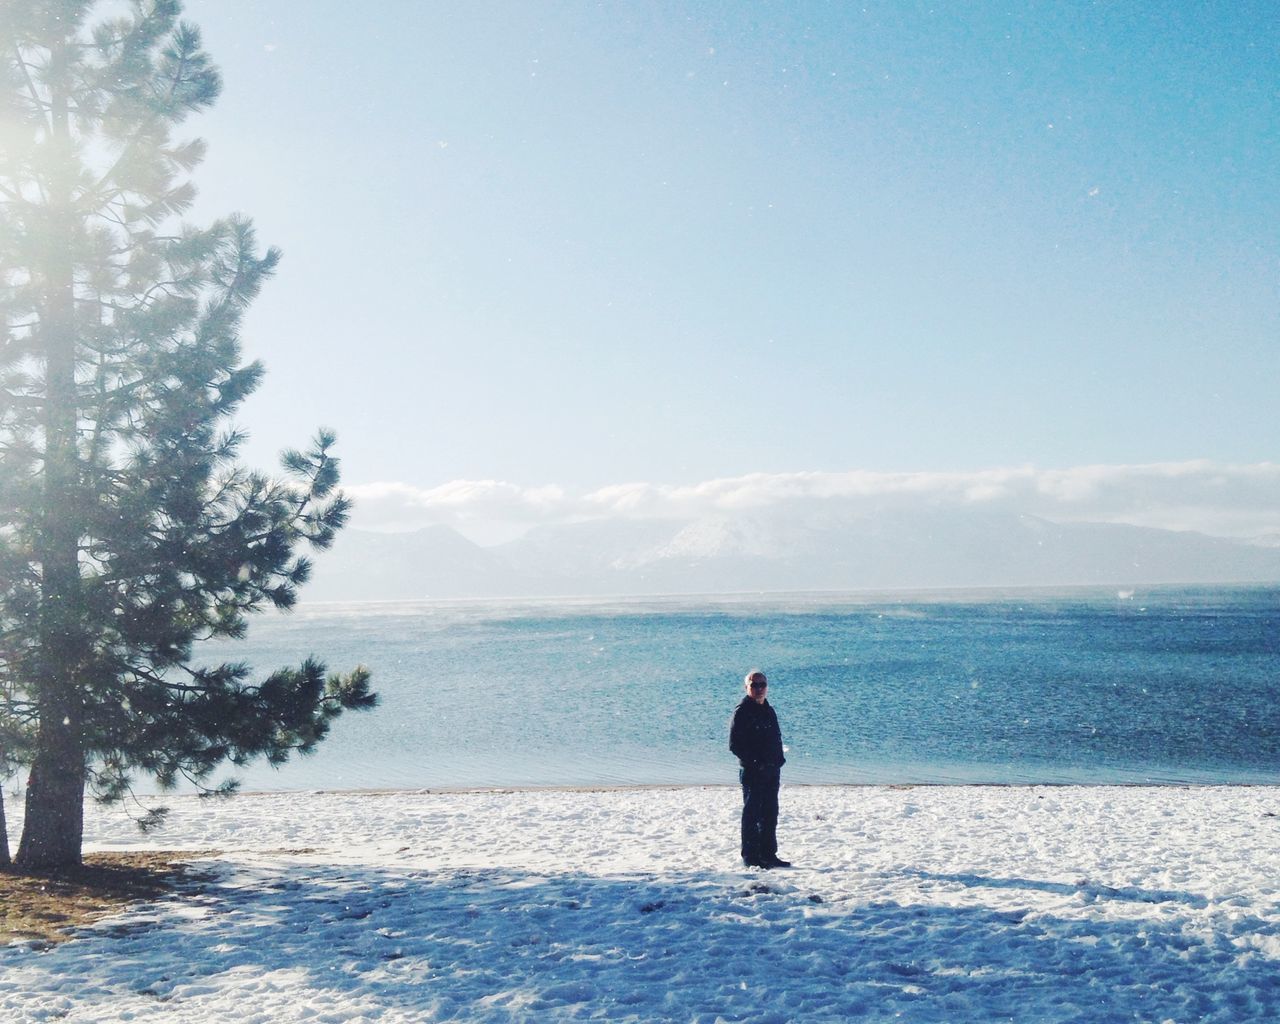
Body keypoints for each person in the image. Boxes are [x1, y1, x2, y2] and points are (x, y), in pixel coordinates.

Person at [729, 669, 790, 868]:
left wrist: (778, 761)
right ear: (747, 687)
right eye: (754, 685)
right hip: (753, 772)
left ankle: (768, 854)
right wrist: (756, 763)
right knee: (751, 815)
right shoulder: (742, 711)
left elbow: (775, 737)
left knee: (770, 813)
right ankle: (750, 857)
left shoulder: (769, 710)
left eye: (762, 684)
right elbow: (735, 745)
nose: (759, 688)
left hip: (772, 771)